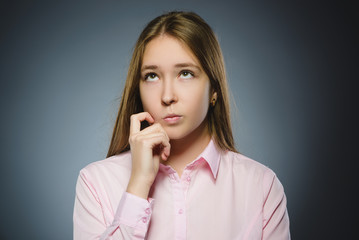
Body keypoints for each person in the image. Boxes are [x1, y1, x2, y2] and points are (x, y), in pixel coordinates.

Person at [73, 11, 290, 240]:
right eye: (152, 76)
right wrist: (138, 185)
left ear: (214, 89)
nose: (167, 96)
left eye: (185, 73)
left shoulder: (261, 187)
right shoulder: (95, 182)